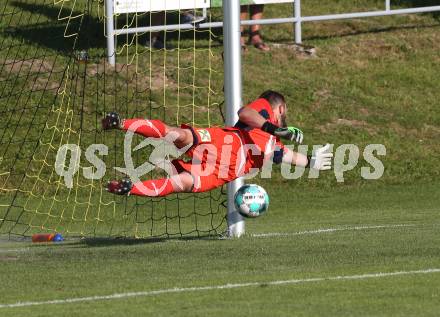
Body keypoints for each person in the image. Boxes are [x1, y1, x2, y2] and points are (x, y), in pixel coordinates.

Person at [102, 90, 332, 197]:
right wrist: (275, 127)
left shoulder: (274, 144)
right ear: (280, 108)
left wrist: (313, 161)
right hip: (227, 142)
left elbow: (288, 157)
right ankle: (120, 123)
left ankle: (128, 188)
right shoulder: (266, 112)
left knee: (181, 182)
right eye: (285, 112)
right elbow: (245, 113)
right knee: (180, 135)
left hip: (225, 170)